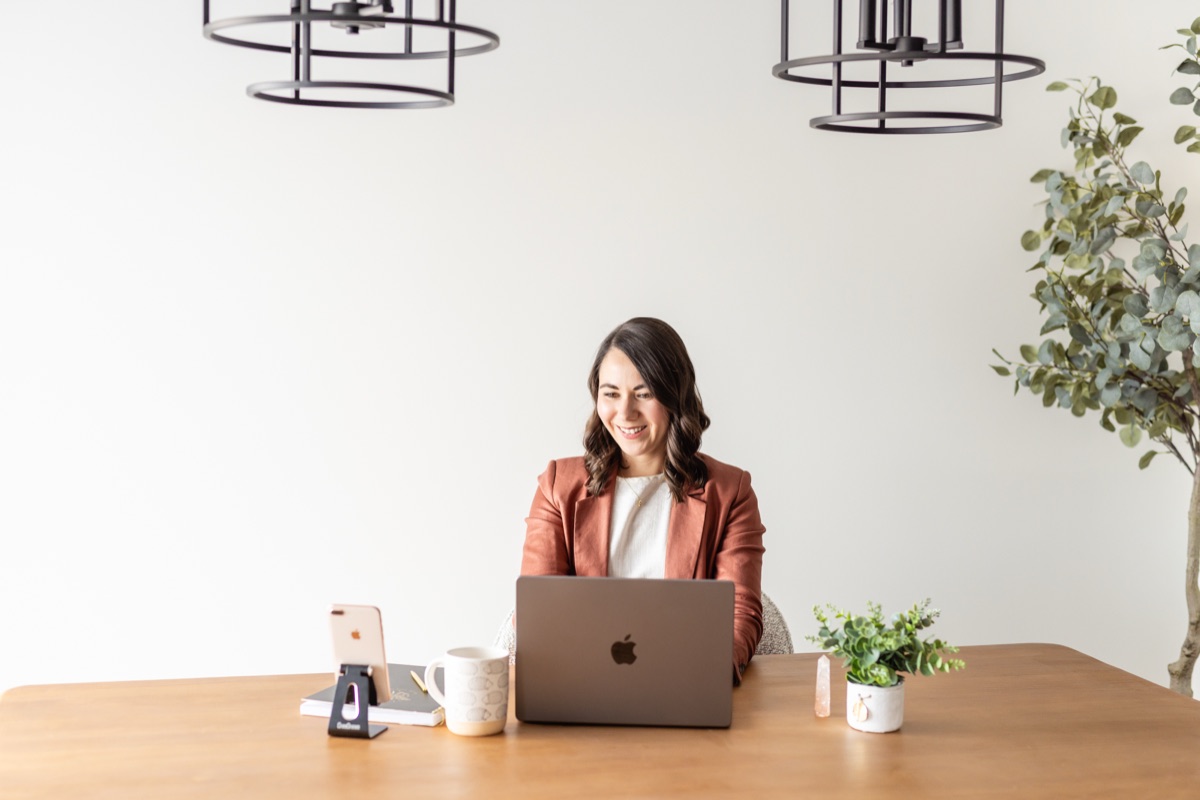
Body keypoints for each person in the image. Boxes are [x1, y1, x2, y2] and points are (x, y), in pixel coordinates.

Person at [521, 317, 766, 684]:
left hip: (683, 685)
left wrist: (704, 677)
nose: (625, 413)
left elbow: (740, 612)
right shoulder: (558, 486)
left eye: (644, 393)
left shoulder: (730, 492)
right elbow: (540, 612)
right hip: (581, 686)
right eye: (611, 393)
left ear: (674, 395)